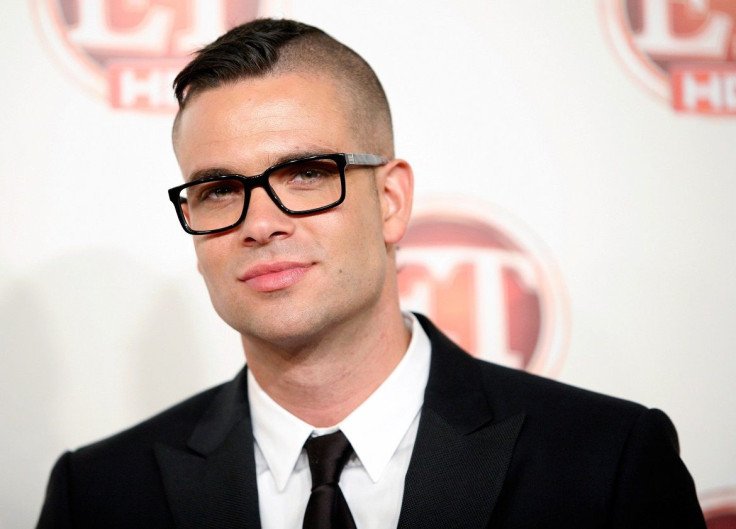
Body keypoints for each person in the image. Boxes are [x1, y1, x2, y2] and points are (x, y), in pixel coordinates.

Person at [37, 18, 706, 529]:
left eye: (305, 174)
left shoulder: (605, 462)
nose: (259, 223)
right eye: (216, 189)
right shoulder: (97, 493)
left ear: (390, 202)